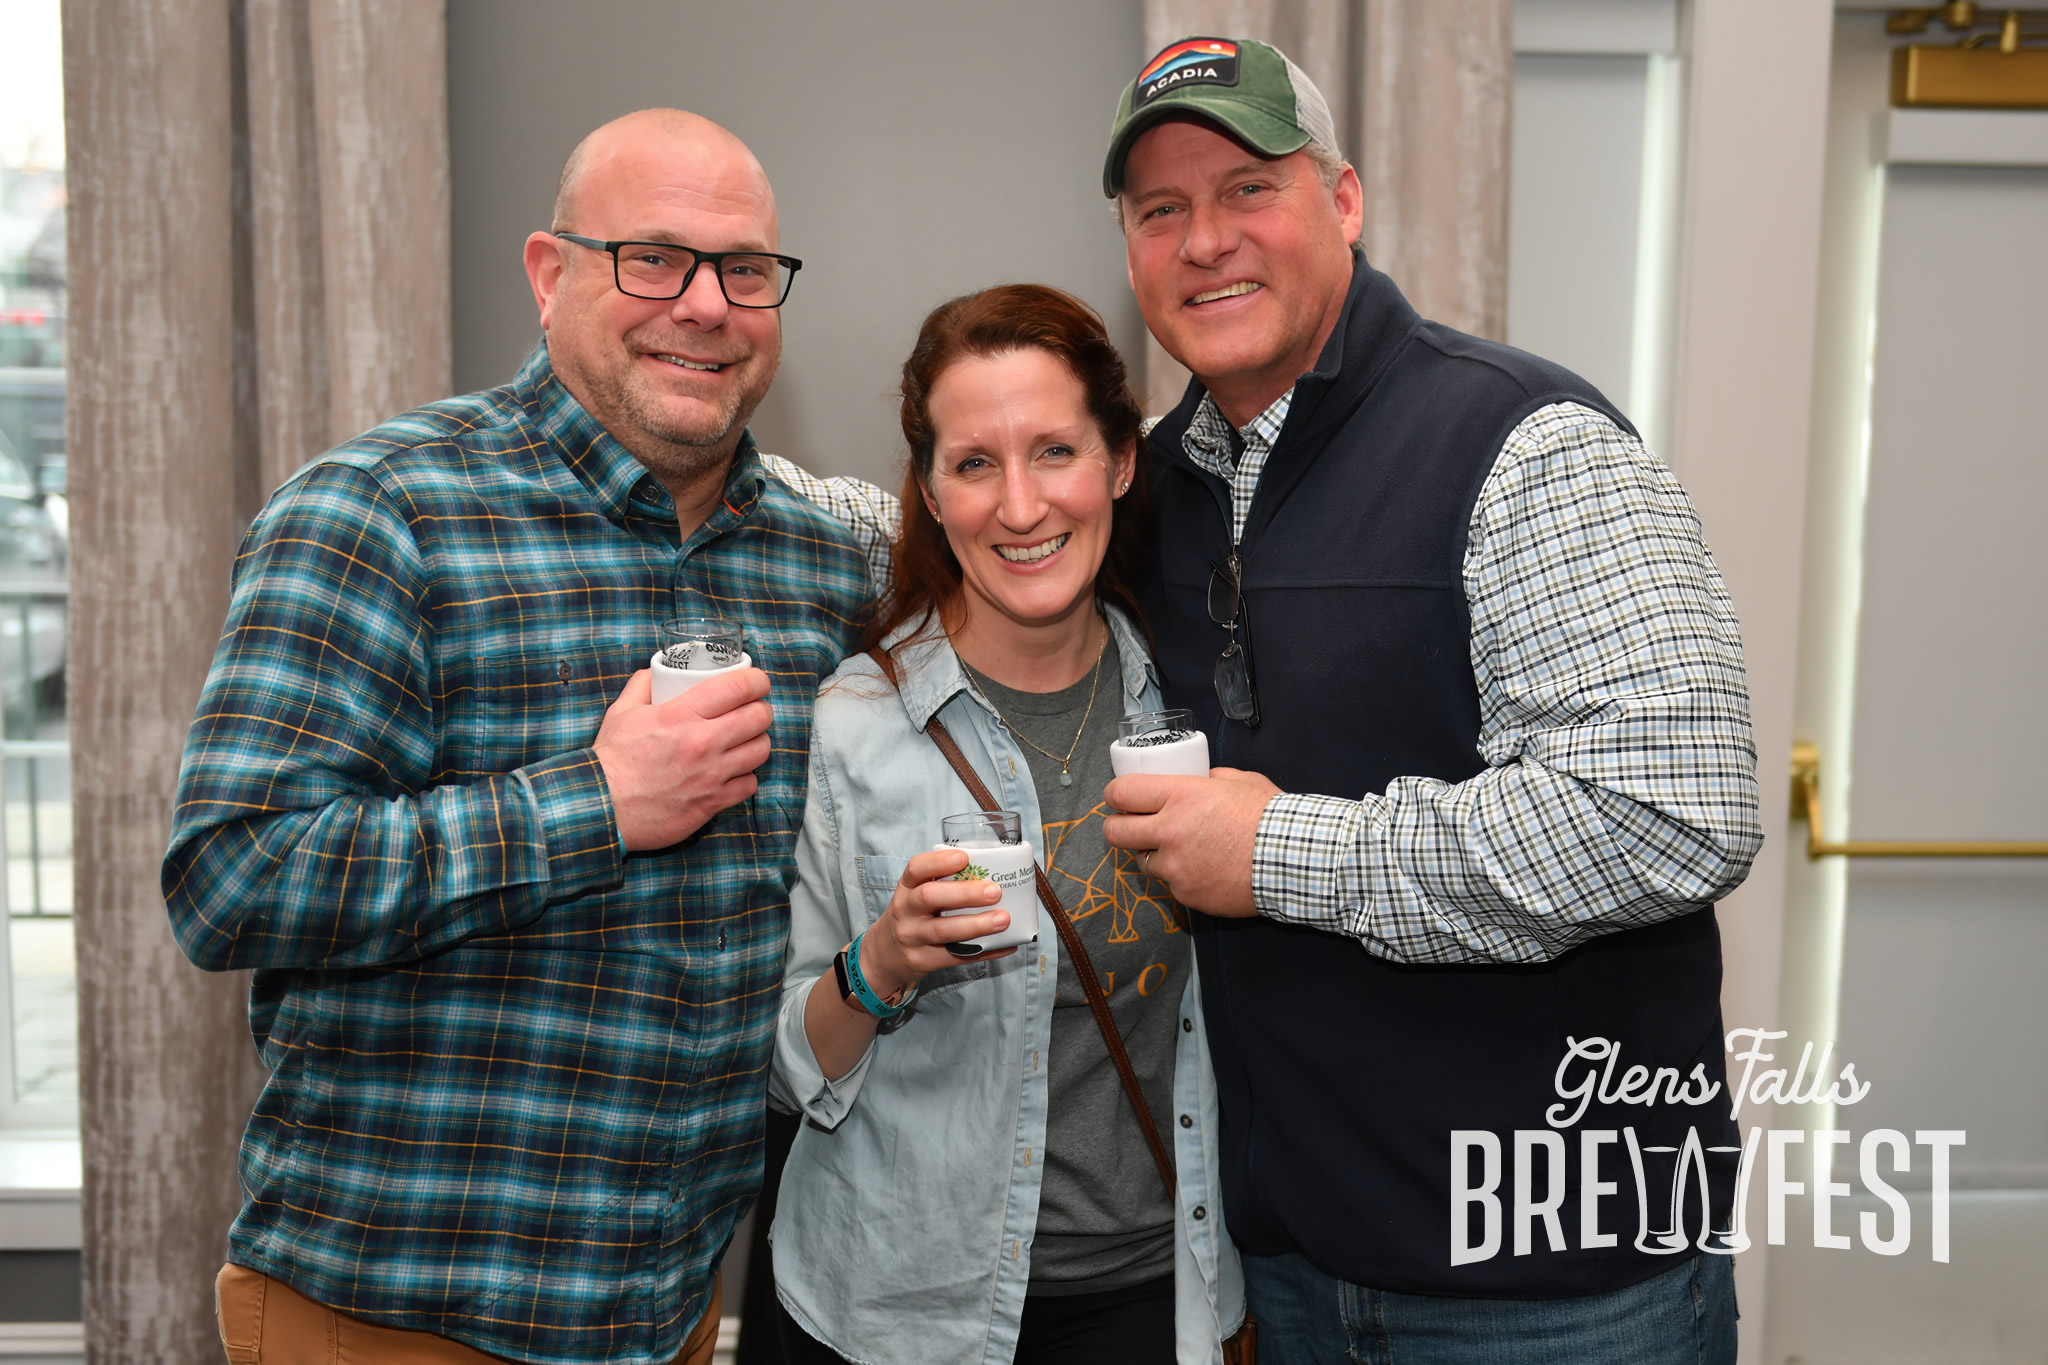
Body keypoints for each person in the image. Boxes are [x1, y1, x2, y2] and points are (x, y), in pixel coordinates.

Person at [781, 36, 1762, 1365]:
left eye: (1247, 188)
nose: (1204, 240)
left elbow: (1674, 812)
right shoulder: (1171, 492)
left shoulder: (1521, 442)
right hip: (1282, 1271)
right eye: (1160, 210)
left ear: (1342, 201)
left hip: (1547, 1280)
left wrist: (1278, 851)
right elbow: (993, 529)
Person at [163, 109, 872, 1365]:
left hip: (665, 1311)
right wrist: (594, 803)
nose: (705, 304)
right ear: (550, 275)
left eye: (744, 269)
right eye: (652, 258)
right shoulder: (380, 511)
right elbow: (232, 878)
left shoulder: (817, 565)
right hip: (396, 1316)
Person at [766, 285, 1245, 1365]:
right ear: (932, 494)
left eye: (1055, 452)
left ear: (1120, 462)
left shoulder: (1193, 703)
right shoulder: (855, 721)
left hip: (1152, 1291)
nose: (1020, 506)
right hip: (900, 1305)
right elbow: (784, 1065)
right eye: (974, 463)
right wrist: (879, 964)